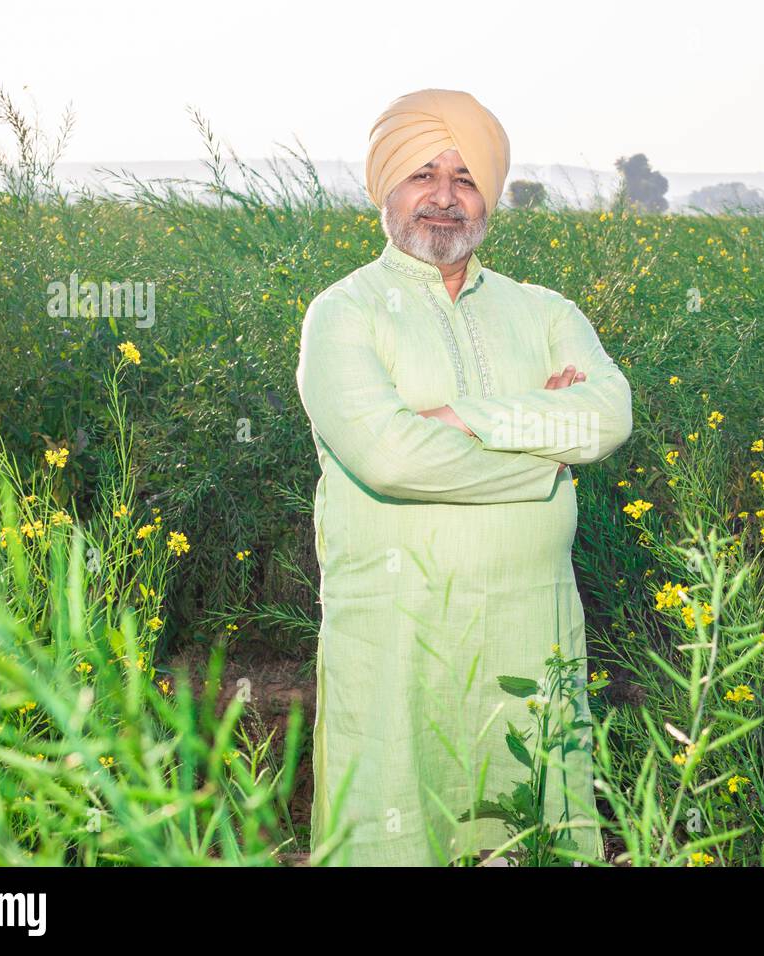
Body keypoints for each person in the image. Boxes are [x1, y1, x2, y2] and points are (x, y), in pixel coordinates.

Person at [295, 88, 633, 866]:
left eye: (467, 177)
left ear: (490, 195)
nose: (444, 197)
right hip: (397, 632)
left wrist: (463, 417)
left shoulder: (543, 310)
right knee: (393, 823)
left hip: (532, 626)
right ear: (386, 186)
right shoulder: (343, 314)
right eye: (422, 173)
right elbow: (387, 457)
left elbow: (609, 414)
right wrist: (543, 457)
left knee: (532, 825)